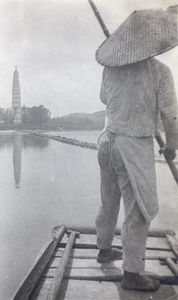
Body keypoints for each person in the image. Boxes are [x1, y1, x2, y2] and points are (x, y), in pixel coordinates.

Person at [95, 56, 178, 291]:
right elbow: (171, 114)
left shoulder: (111, 66)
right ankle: (131, 273)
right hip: (132, 145)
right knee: (139, 209)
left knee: (108, 201)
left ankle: (104, 249)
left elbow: (103, 98)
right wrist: (172, 145)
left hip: (106, 141)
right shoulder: (160, 70)